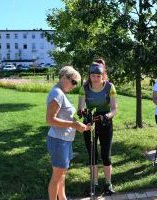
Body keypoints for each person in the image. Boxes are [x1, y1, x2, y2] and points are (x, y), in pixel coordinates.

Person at [46, 66, 91, 200]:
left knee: (62, 174)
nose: (74, 86)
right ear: (64, 77)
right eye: (74, 82)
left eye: (76, 83)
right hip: (59, 141)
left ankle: (63, 198)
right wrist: (74, 124)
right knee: (57, 177)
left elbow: (64, 117)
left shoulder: (60, 93)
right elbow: (50, 120)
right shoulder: (57, 94)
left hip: (64, 140)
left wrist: (81, 125)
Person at [78, 58, 117, 195]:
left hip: (105, 122)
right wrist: (81, 111)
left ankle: (108, 183)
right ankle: (94, 183)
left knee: (106, 155)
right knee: (93, 155)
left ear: (103, 75)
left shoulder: (109, 87)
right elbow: (81, 106)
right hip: (90, 123)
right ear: (89, 75)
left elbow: (114, 109)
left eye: (98, 76)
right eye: (93, 76)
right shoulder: (84, 88)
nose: (95, 79)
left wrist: (106, 116)